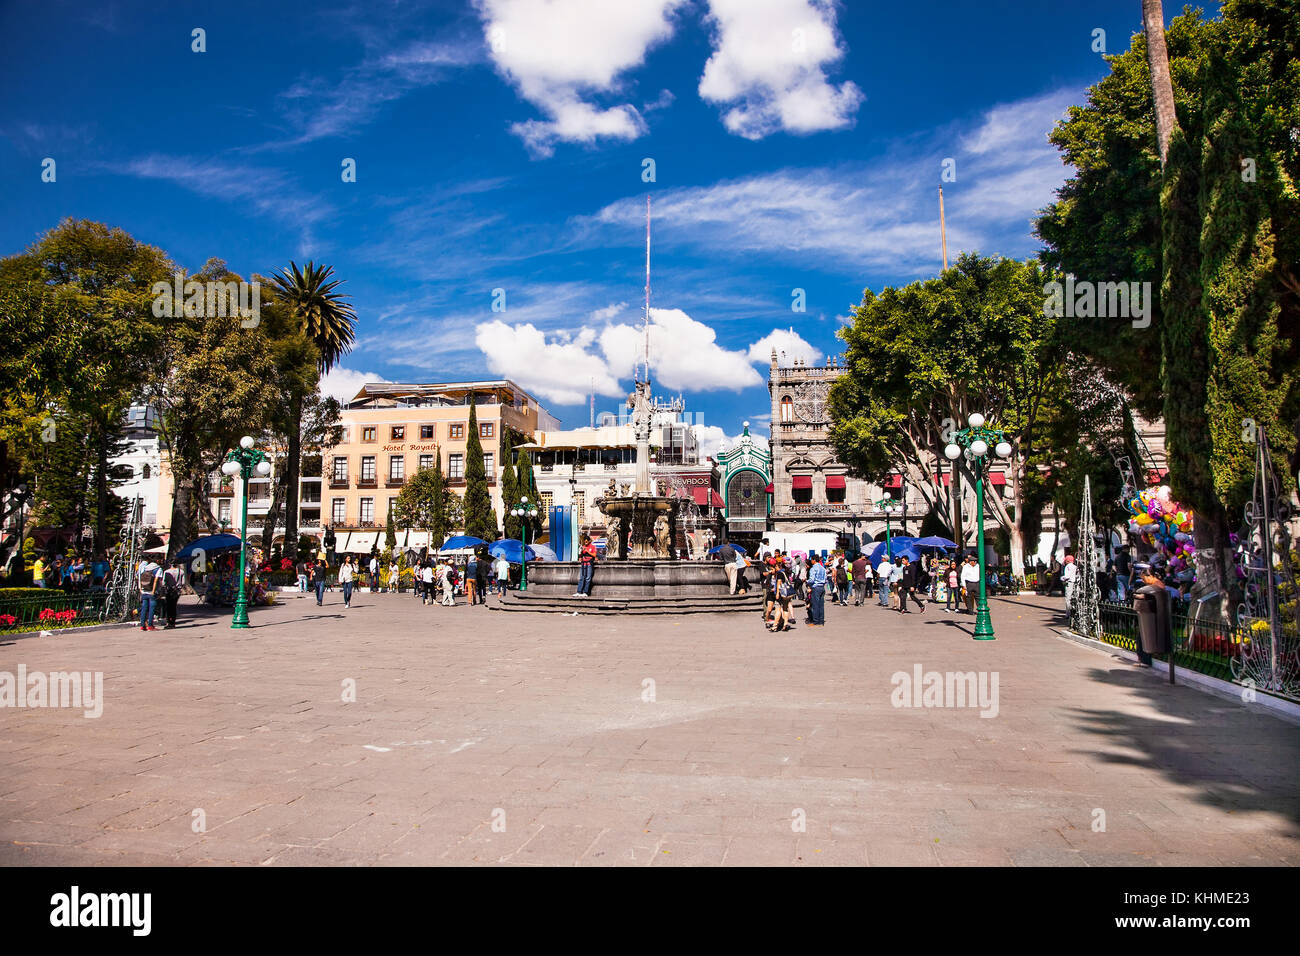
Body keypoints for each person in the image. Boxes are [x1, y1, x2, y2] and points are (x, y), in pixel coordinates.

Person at [137, 556, 161, 630]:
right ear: (157, 560)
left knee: (144, 608)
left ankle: (142, 625)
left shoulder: (145, 567)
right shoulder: (158, 569)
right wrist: (153, 591)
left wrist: (141, 588)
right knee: (152, 608)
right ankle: (150, 625)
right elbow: (156, 580)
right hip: (151, 591)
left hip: (144, 590)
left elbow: (140, 577)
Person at [161, 561, 184, 629]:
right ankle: (173, 622)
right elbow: (183, 582)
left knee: (168, 607)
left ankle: (169, 622)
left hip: (169, 590)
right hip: (177, 591)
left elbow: (163, 583)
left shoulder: (167, 572)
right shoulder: (181, 571)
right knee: (174, 606)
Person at [806, 555, 827, 626]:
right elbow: (825, 579)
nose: (811, 561)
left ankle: (815, 621)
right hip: (822, 587)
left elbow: (812, 580)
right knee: (821, 605)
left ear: (814, 560)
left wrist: (806, 581)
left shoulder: (813, 568)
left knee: (815, 605)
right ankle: (821, 621)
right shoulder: (822, 568)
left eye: (811, 560)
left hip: (815, 587)